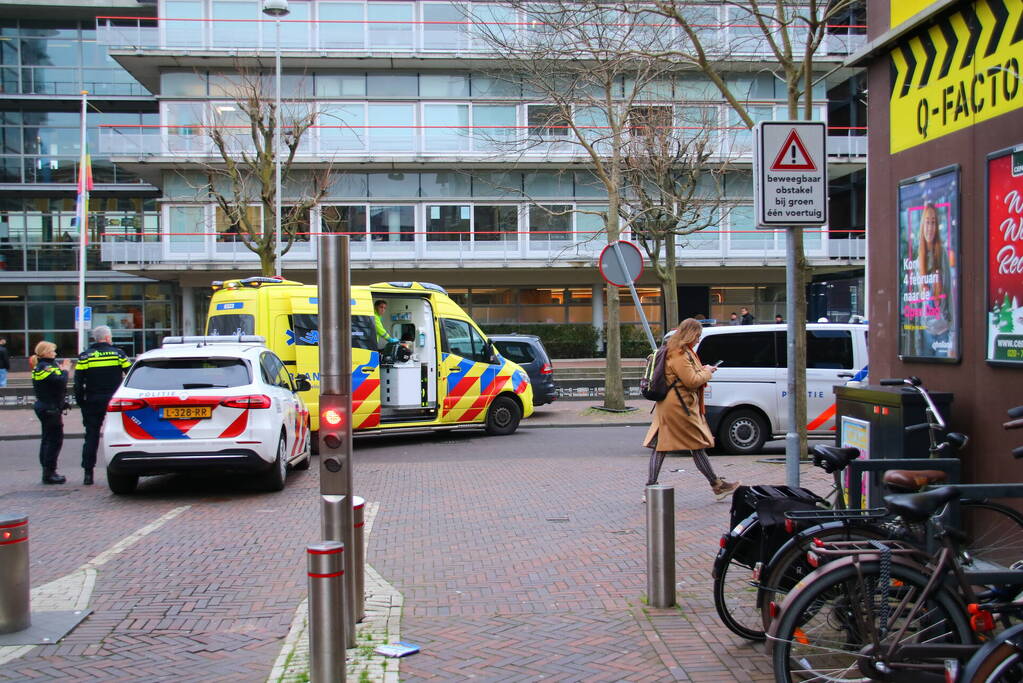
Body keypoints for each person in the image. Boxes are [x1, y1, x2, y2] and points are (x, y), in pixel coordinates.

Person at [642, 318, 740, 500]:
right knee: (695, 444)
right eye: (697, 336)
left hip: (672, 405)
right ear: (690, 334)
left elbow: (687, 375)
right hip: (679, 407)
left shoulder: (678, 351)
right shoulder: (679, 354)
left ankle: (650, 487)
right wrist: (708, 372)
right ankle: (717, 485)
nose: (698, 340)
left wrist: (702, 369)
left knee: (663, 446)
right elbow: (691, 381)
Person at [74, 325, 131, 485]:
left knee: (91, 436)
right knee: (121, 432)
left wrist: (82, 402)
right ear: (107, 338)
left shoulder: (85, 357)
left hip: (93, 399)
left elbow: (78, 383)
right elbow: (130, 374)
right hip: (114, 399)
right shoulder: (118, 354)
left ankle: (88, 473)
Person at [30, 341, 70, 485]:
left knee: (48, 439)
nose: (55, 353)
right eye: (53, 351)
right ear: (46, 352)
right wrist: (65, 370)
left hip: (49, 407)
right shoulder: (44, 367)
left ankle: (48, 471)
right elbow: (60, 382)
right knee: (54, 440)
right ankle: (49, 473)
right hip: (49, 408)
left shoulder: (46, 365)